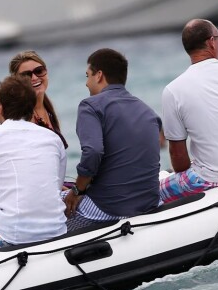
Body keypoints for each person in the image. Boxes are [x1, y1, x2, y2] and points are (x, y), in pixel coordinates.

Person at [0, 76, 67, 253]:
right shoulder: (53, 137)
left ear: (0, 106)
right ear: (31, 107)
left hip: (13, 231)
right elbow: (56, 186)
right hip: (56, 228)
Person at [64, 48, 162, 230]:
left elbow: (93, 151)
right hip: (149, 205)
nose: (86, 83)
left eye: (88, 76)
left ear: (99, 75)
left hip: (108, 209)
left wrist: (77, 190)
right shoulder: (150, 113)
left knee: (49, 211)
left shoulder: (90, 106)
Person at [160, 19, 218, 203]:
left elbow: (178, 159)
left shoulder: (173, 90)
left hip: (212, 179)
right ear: (211, 42)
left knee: (150, 191)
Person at [8, 50, 68, 148]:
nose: (35, 78)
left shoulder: (47, 108)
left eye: (39, 71)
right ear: (16, 81)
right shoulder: (19, 117)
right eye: (26, 75)